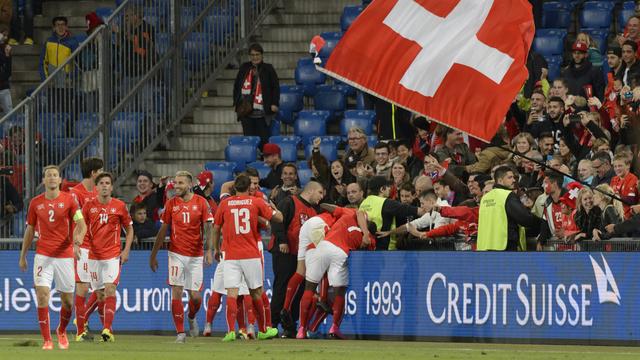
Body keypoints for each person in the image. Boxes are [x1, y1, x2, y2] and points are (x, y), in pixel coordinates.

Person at [19, 165, 87, 350]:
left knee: (68, 301)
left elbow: (81, 225)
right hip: (43, 256)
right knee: (42, 295)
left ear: (60, 180)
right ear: (43, 180)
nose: (51, 178)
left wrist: (77, 244)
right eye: (48, 175)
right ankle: (47, 340)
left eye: (55, 175)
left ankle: (62, 331)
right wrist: (23, 255)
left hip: (64, 256)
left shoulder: (70, 200)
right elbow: (30, 229)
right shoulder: (35, 203)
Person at [212, 174, 283, 341]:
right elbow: (279, 218)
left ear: (235, 188)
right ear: (249, 187)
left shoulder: (225, 204)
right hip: (250, 254)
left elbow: (215, 229)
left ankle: (230, 331)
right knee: (256, 292)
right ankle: (263, 330)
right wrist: (273, 207)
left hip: (230, 255)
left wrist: (216, 248)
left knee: (231, 293)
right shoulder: (256, 202)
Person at [149, 171, 214, 343]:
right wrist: (153, 255)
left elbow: (208, 228)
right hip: (176, 253)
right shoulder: (171, 204)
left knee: (196, 297)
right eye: (175, 183)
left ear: (190, 184)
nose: (176, 186)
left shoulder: (201, 203)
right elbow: (163, 231)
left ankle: (191, 316)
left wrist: (209, 250)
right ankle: (180, 333)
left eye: (180, 183)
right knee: (176, 291)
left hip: (195, 255)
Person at [297, 207, 375, 339]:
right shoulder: (368, 237)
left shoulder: (347, 216)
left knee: (309, 288)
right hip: (340, 253)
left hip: (323, 247)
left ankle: (301, 329)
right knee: (340, 291)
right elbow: (370, 250)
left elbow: (353, 211)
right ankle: (334, 327)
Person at [80, 172, 133, 342]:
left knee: (110, 289)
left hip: (112, 255)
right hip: (94, 256)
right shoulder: (88, 206)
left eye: (107, 183)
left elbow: (129, 229)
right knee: (100, 295)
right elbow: (81, 227)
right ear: (96, 187)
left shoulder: (119, 206)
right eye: (101, 183)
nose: (104, 185)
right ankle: (101, 328)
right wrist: (77, 245)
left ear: (111, 187)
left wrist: (126, 250)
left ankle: (107, 329)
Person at [272, 182, 324, 337]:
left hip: (301, 256)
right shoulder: (289, 202)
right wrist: (282, 241)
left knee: (299, 292)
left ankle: (290, 326)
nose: (322, 197)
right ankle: (272, 324)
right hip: (285, 252)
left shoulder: (315, 210)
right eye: (320, 193)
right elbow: (277, 221)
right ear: (312, 191)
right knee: (281, 288)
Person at [477, 166, 540, 251]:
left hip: (484, 247)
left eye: (513, 177)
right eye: (509, 177)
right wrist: (540, 223)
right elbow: (525, 218)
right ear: (500, 180)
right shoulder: (507, 195)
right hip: (504, 247)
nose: (514, 180)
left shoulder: (485, 198)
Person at [232, 43, 279, 149]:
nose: (255, 57)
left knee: (263, 141)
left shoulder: (268, 68)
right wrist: (236, 102)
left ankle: (264, 161)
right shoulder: (244, 67)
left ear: (262, 55)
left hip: (262, 112)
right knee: (249, 142)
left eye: (257, 54)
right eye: (252, 55)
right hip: (246, 112)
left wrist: (275, 103)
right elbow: (237, 85)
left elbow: (275, 87)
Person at [359, 176, 422, 250]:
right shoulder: (386, 203)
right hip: (386, 250)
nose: (389, 189)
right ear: (382, 189)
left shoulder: (363, 203)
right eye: (387, 187)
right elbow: (412, 210)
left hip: (368, 247)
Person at [0, 24, 12, 117]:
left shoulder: (6, 49)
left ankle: (8, 131)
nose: (5, 37)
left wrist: (7, 55)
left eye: (7, 35)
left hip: (4, 87)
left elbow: (8, 72)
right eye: (3, 34)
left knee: (9, 115)